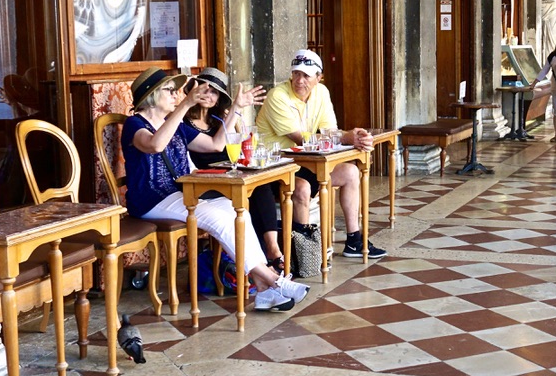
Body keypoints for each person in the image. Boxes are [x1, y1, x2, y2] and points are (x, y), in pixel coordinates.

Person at [121, 66, 309, 311]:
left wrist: (236, 110)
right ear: (152, 95)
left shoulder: (173, 122)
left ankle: (263, 289)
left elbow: (216, 143)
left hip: (179, 194)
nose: (175, 95)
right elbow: (155, 145)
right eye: (170, 90)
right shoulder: (134, 124)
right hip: (150, 201)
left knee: (235, 211)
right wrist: (185, 106)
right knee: (218, 219)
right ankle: (273, 280)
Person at [255, 49, 388, 259]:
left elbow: (330, 132)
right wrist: (345, 137)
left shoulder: (322, 93)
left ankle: (354, 240)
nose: (299, 80)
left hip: (305, 164)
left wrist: (356, 137)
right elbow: (300, 139)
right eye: (296, 74)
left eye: (306, 76)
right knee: (302, 187)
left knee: (351, 172)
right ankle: (303, 253)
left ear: (319, 77)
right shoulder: (277, 96)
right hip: (275, 167)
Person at [184, 67, 287, 274]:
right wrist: (235, 110)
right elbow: (216, 146)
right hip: (207, 180)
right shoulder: (183, 123)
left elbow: (242, 143)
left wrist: (234, 117)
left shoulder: (220, 119)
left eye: (214, 92)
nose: (208, 95)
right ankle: (265, 258)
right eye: (205, 89)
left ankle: (272, 250)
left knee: (261, 185)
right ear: (193, 90)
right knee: (252, 193)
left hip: (233, 173)